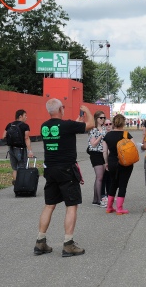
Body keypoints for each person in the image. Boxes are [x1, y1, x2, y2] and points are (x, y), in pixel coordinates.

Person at [33, 99, 94, 257]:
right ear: (61, 108)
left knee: (49, 205)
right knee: (71, 205)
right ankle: (68, 244)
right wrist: (87, 111)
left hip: (50, 169)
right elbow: (91, 125)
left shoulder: (45, 126)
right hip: (66, 170)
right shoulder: (67, 125)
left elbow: (61, 132)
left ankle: (40, 242)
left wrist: (74, 123)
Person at [103, 114, 136, 215]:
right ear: (123, 123)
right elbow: (133, 147)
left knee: (113, 183)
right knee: (123, 184)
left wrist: (106, 162)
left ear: (114, 123)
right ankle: (119, 208)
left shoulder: (107, 135)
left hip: (112, 161)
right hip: (125, 162)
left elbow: (104, 151)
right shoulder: (126, 134)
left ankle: (109, 207)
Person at [3, 109, 34, 184]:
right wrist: (30, 151)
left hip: (11, 149)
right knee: (22, 167)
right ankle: (22, 186)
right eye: (25, 115)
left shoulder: (9, 125)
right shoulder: (25, 126)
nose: (26, 117)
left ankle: (16, 186)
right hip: (21, 150)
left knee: (14, 168)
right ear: (20, 116)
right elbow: (26, 138)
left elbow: (3, 136)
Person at [87, 110, 107, 208]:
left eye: (104, 118)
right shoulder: (93, 130)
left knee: (99, 177)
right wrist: (101, 136)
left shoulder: (104, 129)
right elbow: (93, 144)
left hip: (103, 154)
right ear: (96, 118)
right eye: (101, 118)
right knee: (99, 177)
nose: (103, 120)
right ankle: (99, 200)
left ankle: (95, 199)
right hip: (95, 154)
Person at [101, 118, 113, 201]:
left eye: (110, 124)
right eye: (106, 124)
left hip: (111, 158)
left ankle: (109, 194)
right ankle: (102, 194)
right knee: (103, 177)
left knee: (110, 177)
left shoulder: (113, 133)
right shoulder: (103, 134)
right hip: (102, 157)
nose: (108, 126)